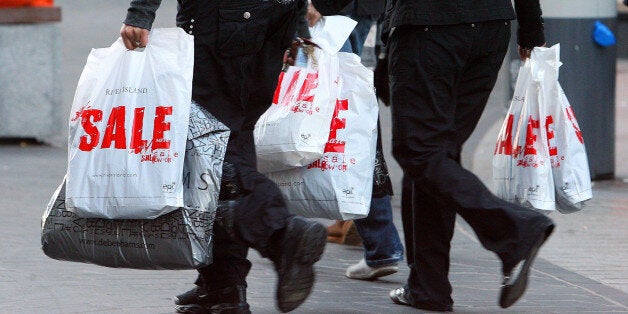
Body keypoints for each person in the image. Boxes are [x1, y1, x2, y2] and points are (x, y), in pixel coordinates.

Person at [121, 1, 327, 313]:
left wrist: (140, 13)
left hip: (224, 18)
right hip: (273, 17)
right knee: (232, 141)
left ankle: (281, 231)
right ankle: (223, 286)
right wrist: (295, 23)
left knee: (212, 147)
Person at [378, 0, 556, 311]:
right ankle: (428, 288)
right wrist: (530, 31)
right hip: (489, 28)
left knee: (419, 151)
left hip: (428, 29)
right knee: (437, 156)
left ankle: (516, 230)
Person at [306, 0, 404, 281]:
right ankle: (380, 243)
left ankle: (275, 229)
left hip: (330, 7)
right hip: (359, 6)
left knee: (328, 114)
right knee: (350, 117)